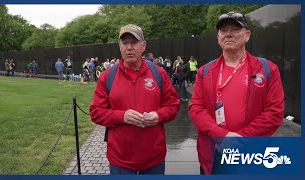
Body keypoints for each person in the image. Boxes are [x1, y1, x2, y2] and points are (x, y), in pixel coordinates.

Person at [188, 11, 284, 175]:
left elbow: (274, 112)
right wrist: (222, 136)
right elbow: (196, 109)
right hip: (214, 154)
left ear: (247, 35)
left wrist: (240, 138)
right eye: (224, 31)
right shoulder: (205, 71)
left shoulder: (268, 69)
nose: (229, 34)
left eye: (235, 29)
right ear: (218, 37)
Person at [90, 24, 180, 175]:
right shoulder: (107, 77)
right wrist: (122, 116)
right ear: (120, 47)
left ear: (143, 46)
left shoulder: (159, 74)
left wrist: (158, 116)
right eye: (125, 43)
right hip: (120, 160)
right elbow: (96, 112)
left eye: (134, 42)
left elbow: (173, 105)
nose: (129, 47)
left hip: (154, 158)